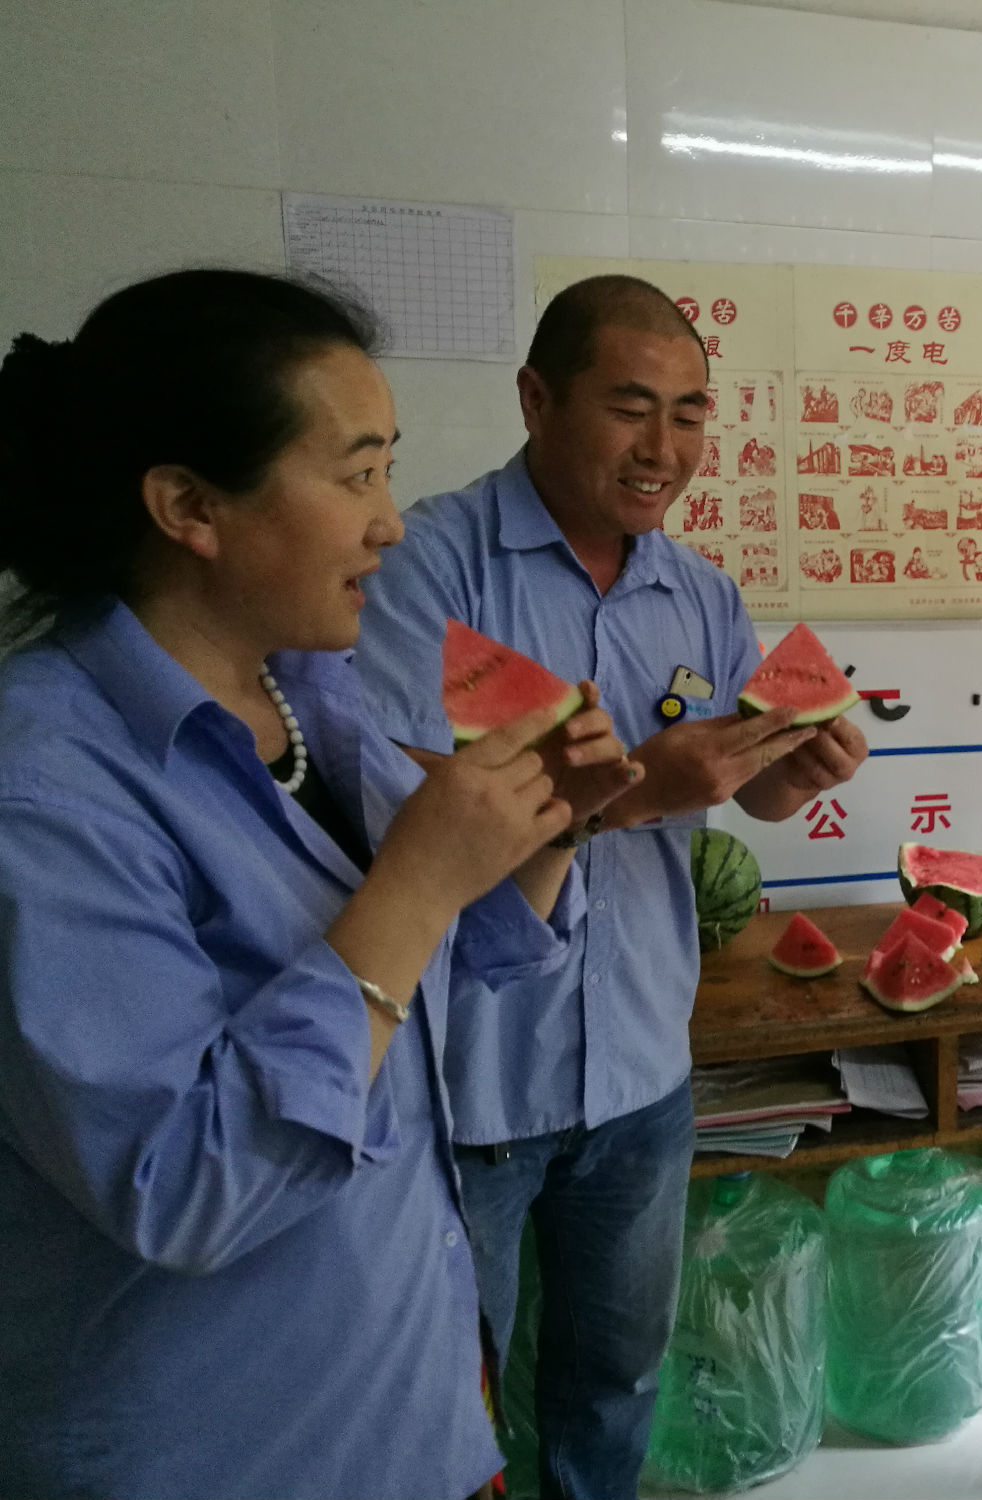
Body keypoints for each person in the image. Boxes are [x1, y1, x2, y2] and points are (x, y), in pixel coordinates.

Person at [0, 270, 641, 1500]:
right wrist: (415, 882)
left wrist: (551, 827)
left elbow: (448, 968)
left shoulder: (309, 696)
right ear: (189, 507)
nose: (388, 524)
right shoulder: (46, 793)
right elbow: (181, 1185)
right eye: (355, 477)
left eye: (388, 471)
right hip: (229, 1450)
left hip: (404, 1408)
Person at [352, 274, 867, 1500]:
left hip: (641, 1066)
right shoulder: (425, 570)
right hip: (470, 1073)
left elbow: (742, 792)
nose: (663, 449)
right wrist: (629, 793)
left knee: (617, 1376)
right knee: (450, 1389)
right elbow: (396, 819)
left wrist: (792, 771)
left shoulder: (701, 593)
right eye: (630, 408)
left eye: (689, 415)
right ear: (537, 399)